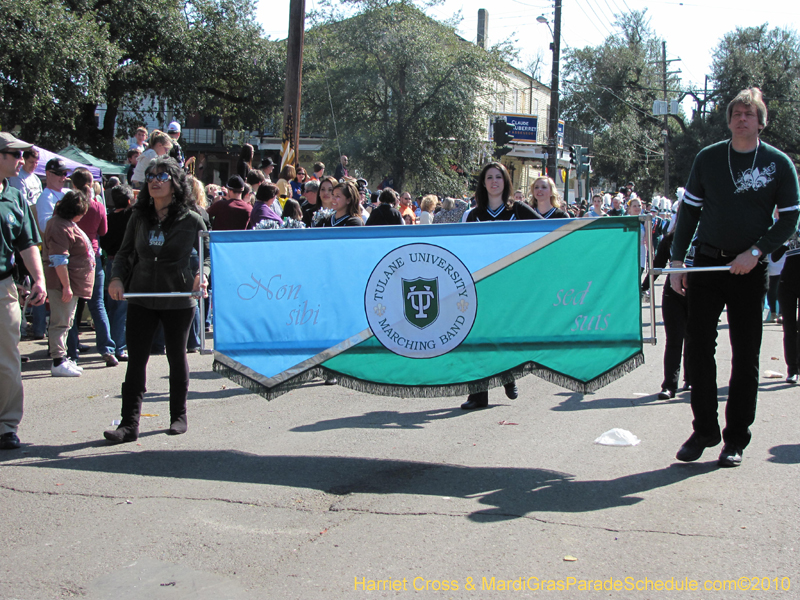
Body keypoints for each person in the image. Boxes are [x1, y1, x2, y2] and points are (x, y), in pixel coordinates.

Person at [670, 88, 800, 467]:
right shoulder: (708, 158)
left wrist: (757, 251)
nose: (742, 118)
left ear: (761, 121)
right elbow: (689, 213)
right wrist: (678, 261)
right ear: (728, 120)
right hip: (707, 264)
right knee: (697, 349)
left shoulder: (778, 164)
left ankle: (735, 439)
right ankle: (704, 430)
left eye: (749, 113)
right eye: (736, 113)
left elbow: (791, 217)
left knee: (745, 356)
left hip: (749, 269)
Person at [104, 157, 210, 444]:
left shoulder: (192, 219)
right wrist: (116, 279)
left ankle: (179, 415)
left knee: (177, 356)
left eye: (162, 176)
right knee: (136, 360)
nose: (154, 180)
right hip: (141, 296)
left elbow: (209, 254)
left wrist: (202, 274)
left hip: (177, 297)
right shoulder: (137, 217)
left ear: (175, 184)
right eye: (151, 176)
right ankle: (129, 424)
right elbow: (124, 254)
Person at [460, 161, 541, 410]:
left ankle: (508, 375)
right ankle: (478, 394)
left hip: (510, 282)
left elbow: (545, 231)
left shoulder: (519, 209)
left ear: (506, 182)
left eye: (499, 177)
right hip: (481, 283)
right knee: (477, 336)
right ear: (483, 183)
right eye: (489, 178)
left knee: (504, 333)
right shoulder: (473, 215)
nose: (494, 181)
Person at [0, 132, 47, 450]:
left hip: (3, 287)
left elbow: (28, 243)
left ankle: (6, 425)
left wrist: (40, 279)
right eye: (15, 155)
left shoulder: (15, 197)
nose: (22, 161)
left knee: (7, 360)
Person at [65, 168, 118, 367]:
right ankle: (107, 349)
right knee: (97, 304)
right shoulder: (98, 206)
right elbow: (103, 230)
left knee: (72, 305)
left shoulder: (69, 205)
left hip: (73, 258)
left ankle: (71, 352)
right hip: (93, 256)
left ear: (74, 185)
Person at [43, 191, 94, 377]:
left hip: (70, 282)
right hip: (62, 283)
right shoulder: (59, 226)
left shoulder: (65, 224)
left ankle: (63, 358)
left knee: (67, 321)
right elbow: (58, 258)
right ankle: (58, 360)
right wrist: (66, 286)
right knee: (60, 323)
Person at [99, 185, 135, 361]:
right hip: (126, 263)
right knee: (121, 306)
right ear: (129, 201)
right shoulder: (131, 217)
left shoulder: (108, 218)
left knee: (110, 305)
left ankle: (111, 342)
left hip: (110, 261)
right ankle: (119, 346)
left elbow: (103, 240)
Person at [773, 230, 800, 383]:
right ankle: (792, 369)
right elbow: (775, 257)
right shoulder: (789, 228)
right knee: (789, 327)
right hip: (788, 282)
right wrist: (785, 241)